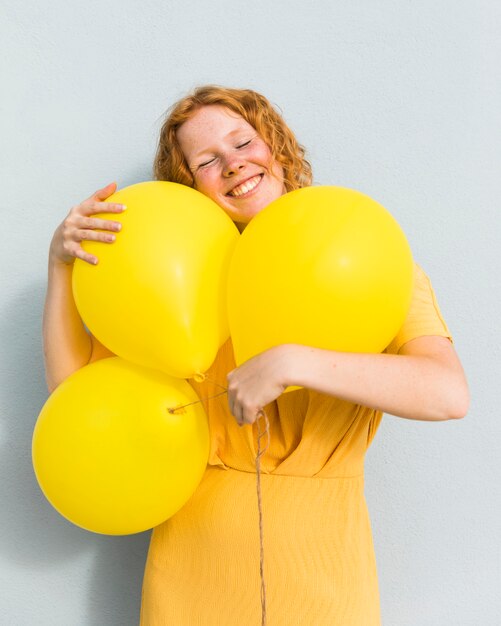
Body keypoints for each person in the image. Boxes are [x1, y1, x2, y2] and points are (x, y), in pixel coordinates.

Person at [43, 85, 469, 625]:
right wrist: (61, 266)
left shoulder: (365, 257)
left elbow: (447, 392)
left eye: (244, 142)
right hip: (189, 582)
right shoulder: (172, 280)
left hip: (324, 580)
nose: (233, 165)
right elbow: (77, 403)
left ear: (278, 148)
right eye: (207, 161)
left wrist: (295, 361)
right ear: (189, 186)